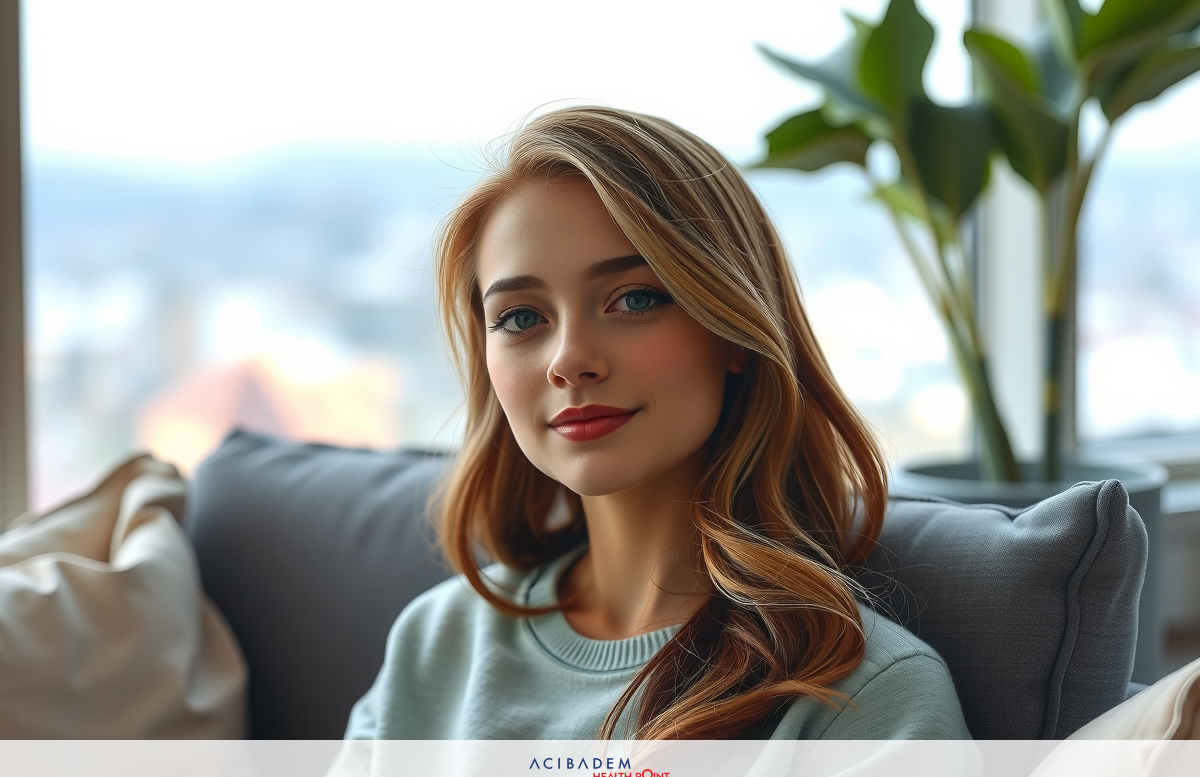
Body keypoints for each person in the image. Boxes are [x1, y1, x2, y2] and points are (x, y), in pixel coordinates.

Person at [342, 106, 970, 741]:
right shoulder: (433, 645)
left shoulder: (865, 698)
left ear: (733, 328)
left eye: (635, 299)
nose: (569, 361)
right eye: (521, 318)